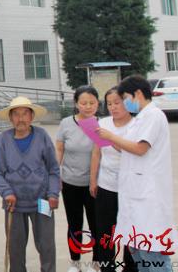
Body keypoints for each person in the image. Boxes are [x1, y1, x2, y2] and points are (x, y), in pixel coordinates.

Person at [97, 75, 175, 272]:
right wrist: (107, 139)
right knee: (139, 254)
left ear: (138, 93)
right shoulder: (139, 119)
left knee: (153, 257)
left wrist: (111, 136)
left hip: (148, 198)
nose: (124, 103)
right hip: (134, 195)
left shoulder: (154, 116)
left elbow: (140, 148)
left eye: (125, 98)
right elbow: (126, 148)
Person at [0, 96, 60, 272]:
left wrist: (53, 193)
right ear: (10, 118)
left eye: (25, 114)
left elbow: (53, 168)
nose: (20, 119)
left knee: (46, 245)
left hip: (42, 200)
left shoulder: (42, 136)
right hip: (13, 203)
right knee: (15, 248)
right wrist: (6, 192)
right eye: (16, 114)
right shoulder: (4, 139)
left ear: (31, 116)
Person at [89, 88, 137, 272]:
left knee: (131, 232)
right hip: (106, 186)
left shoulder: (136, 124)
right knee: (105, 232)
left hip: (130, 188)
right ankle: (107, 268)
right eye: (109, 104)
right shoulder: (103, 123)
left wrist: (111, 138)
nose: (113, 107)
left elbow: (134, 153)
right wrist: (93, 180)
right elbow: (96, 153)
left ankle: (129, 267)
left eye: (117, 103)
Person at [56, 85, 101, 272]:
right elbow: (59, 149)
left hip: (95, 185)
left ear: (97, 104)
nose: (88, 106)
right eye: (83, 103)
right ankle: (75, 263)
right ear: (76, 104)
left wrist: (93, 180)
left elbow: (100, 154)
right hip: (70, 182)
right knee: (74, 225)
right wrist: (56, 174)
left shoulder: (101, 125)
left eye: (92, 103)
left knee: (96, 225)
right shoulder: (66, 123)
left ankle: (96, 263)